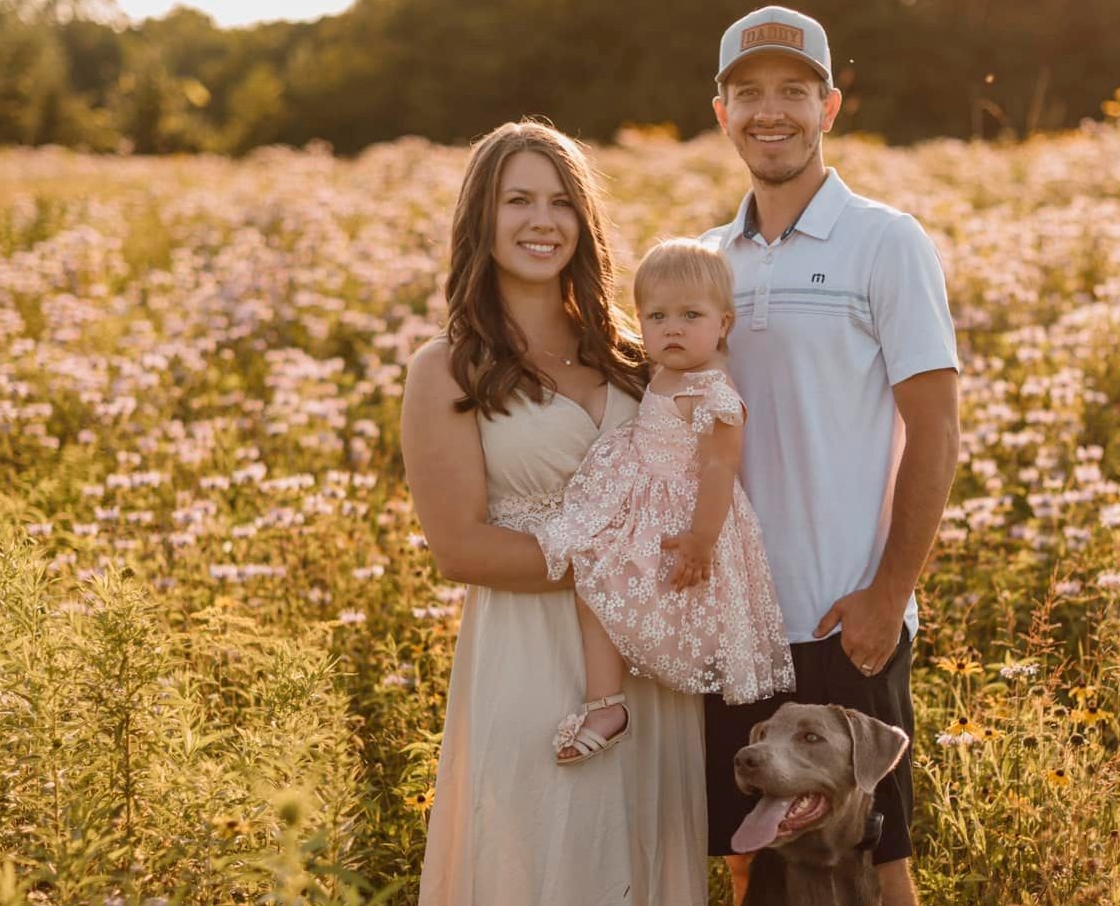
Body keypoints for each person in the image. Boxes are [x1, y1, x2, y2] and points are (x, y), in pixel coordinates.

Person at [400, 119, 707, 906]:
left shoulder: (638, 356)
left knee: (645, 860)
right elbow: (459, 549)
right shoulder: (447, 369)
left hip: (646, 661)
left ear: (585, 221)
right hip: (532, 657)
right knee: (547, 861)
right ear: (482, 218)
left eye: (562, 202)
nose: (543, 221)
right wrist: (610, 558)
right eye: (519, 201)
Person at [698, 8, 962, 906]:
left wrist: (888, 596)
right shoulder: (701, 263)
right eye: (749, 94)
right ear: (722, 111)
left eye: (793, 93)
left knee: (878, 861)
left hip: (844, 615)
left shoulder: (887, 241)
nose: (771, 112)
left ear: (830, 106)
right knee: (747, 853)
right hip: (734, 624)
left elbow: (935, 428)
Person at [534, 239, 796, 766]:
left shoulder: (712, 392)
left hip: (681, 519)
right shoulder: (663, 371)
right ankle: (607, 702)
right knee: (592, 576)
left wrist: (700, 540)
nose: (672, 328)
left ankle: (610, 706)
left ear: (723, 324)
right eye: (657, 316)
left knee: (608, 579)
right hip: (640, 496)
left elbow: (722, 469)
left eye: (690, 315)